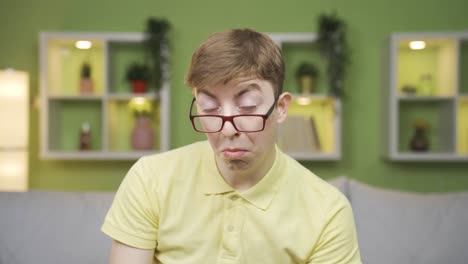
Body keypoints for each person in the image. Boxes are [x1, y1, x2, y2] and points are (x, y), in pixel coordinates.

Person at [101, 28, 361, 264]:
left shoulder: (328, 212)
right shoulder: (150, 179)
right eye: (210, 108)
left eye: (247, 106)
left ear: (280, 108)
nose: (227, 129)